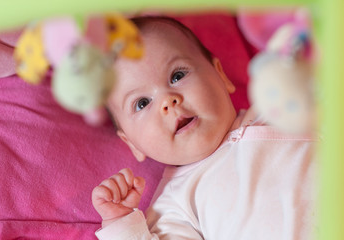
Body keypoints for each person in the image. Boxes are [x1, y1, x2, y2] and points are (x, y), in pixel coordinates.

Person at [91, 16, 316, 240]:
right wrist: (121, 224)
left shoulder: (275, 107)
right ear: (132, 143)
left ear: (220, 74)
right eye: (142, 103)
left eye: (177, 75)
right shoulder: (174, 203)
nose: (168, 101)